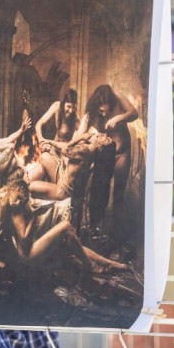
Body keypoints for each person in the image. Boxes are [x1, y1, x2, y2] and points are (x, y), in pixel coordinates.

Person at [70, 84, 139, 235]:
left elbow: (134, 113)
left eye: (107, 110)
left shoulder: (118, 96)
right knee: (100, 191)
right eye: (101, 111)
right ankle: (97, 229)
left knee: (119, 195)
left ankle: (117, 235)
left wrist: (119, 117)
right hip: (105, 155)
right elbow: (81, 136)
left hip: (122, 152)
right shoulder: (92, 113)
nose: (104, 113)